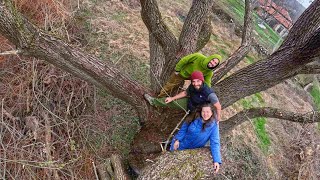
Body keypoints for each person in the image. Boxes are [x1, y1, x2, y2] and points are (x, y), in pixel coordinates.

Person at [144, 71, 221, 123]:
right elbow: (185, 93)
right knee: (171, 101)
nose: (195, 83)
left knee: (190, 124)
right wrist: (172, 98)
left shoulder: (209, 93)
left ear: (202, 81)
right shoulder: (192, 86)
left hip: (199, 110)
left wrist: (218, 119)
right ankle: (153, 101)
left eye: (198, 81)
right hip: (189, 102)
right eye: (193, 81)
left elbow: (218, 106)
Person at [170, 104, 221, 173]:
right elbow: (184, 129)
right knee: (170, 159)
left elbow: (215, 142)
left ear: (212, 113)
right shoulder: (195, 117)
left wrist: (216, 160)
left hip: (191, 152)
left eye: (208, 112)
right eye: (203, 111)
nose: (205, 114)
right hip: (181, 144)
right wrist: (177, 139)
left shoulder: (214, 126)